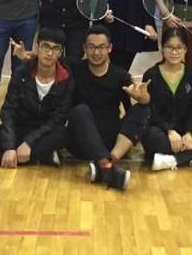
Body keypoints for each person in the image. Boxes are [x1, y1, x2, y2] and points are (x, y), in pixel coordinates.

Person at [64, 25, 151, 191]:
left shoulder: (121, 75)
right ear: (84, 48)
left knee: (143, 109)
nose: (96, 52)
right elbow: (50, 60)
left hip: (111, 141)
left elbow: (132, 113)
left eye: (101, 47)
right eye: (92, 47)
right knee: (80, 110)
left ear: (110, 48)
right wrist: (28, 58)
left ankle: (106, 164)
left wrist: (142, 98)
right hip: (81, 141)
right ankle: (109, 168)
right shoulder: (74, 68)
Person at [0, 28, 74, 168]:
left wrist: (29, 142)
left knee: (64, 134)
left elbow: (58, 118)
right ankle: (41, 155)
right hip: (20, 128)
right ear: (37, 47)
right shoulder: (22, 72)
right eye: (45, 46)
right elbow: (9, 110)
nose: (49, 53)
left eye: (55, 49)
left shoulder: (66, 78)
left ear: (60, 52)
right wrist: (10, 145)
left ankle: (1, 157)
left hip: (44, 132)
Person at [141, 28, 192, 171]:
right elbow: (150, 111)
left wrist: (189, 133)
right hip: (161, 132)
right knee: (151, 135)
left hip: (185, 133)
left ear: (185, 49)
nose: (174, 52)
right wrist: (169, 131)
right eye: (169, 47)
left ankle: (172, 160)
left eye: (179, 47)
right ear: (162, 49)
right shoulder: (151, 74)